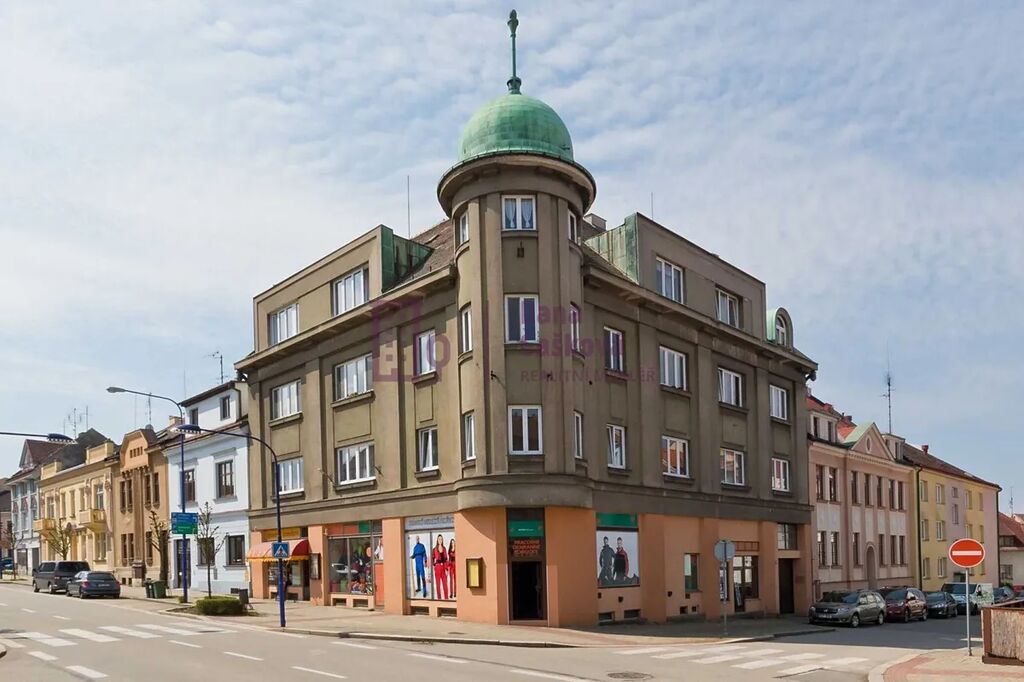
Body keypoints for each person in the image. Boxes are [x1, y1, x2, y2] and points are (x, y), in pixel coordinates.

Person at [432, 535, 449, 600]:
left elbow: (446, 559)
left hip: (444, 567)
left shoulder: (444, 548)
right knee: (438, 584)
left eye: (441, 539)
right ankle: (439, 599)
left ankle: (446, 598)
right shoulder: (434, 549)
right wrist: (434, 565)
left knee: (445, 584)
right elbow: (432, 558)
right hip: (438, 568)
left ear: (442, 540)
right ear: (437, 540)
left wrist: (446, 569)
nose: (440, 540)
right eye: (439, 539)